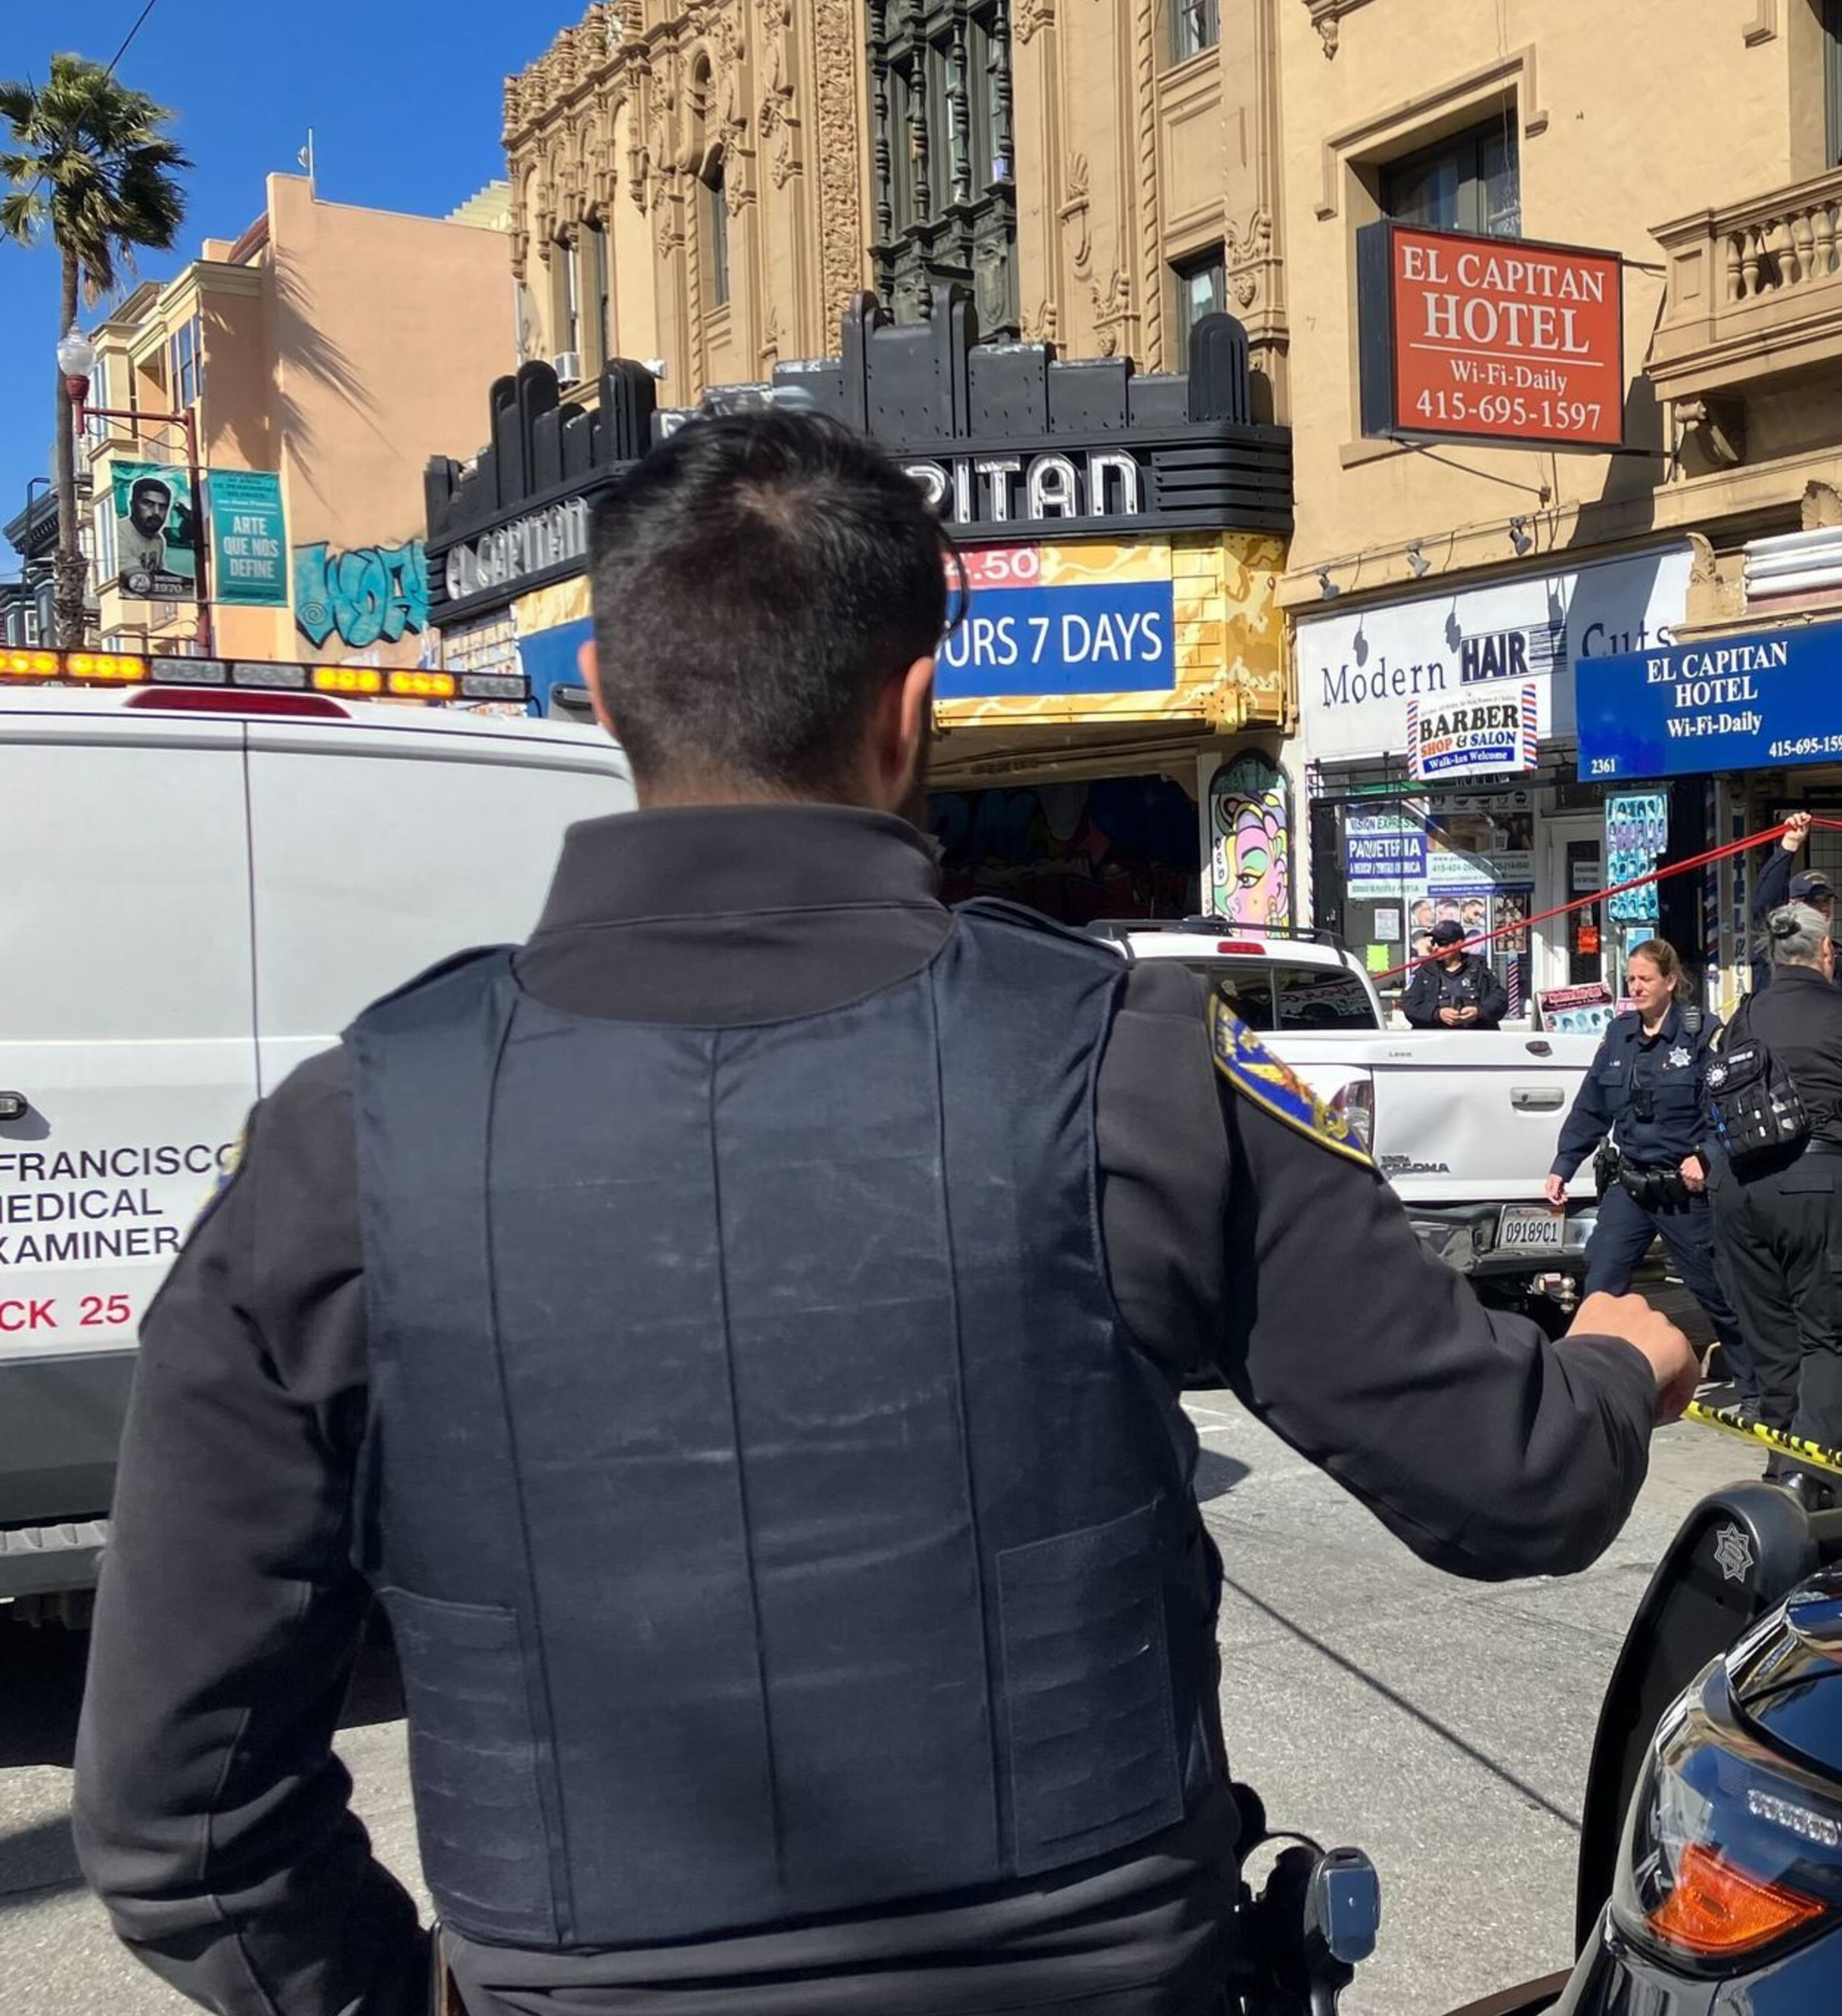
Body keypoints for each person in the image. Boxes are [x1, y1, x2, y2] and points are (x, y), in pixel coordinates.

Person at [70, 410, 1699, 2016]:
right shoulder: (1117, 1067)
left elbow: (178, 1825)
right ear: (914, 709)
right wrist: (1624, 1354)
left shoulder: (344, 1142)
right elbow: (1512, 1477)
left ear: (597, 697)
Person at [1710, 902, 1842, 1477]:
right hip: (1818, 1185)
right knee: (1835, 1341)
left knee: (1773, 1345)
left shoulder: (1743, 1016)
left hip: (1738, 1191)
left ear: (1772, 956)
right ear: (1825, 951)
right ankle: (1802, 1479)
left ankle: (1780, 1474)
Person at [1547, 940, 1750, 1400]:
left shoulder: (1702, 1034)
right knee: (1601, 1280)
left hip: (1684, 1189)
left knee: (1716, 1290)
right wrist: (1564, 1164)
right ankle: (1585, 1385)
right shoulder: (1619, 1036)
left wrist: (1706, 1155)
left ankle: (1757, 1386)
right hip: (1631, 1183)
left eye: (1646, 980)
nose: (1636, 988)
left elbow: (1726, 1110)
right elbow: (1591, 1108)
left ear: (1670, 982)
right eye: (1631, 980)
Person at [1749, 811, 1842, 998]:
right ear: (1792, 905)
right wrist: (1789, 845)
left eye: (1827, 900)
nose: (1823, 908)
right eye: (1813, 902)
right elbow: (1765, 905)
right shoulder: (1776, 949)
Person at [1400, 917, 1508, 1028]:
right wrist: (1437, 1014)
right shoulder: (1424, 972)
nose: (1436, 947)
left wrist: (1478, 1012)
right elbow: (1410, 1005)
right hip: (1436, 1038)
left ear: (1459, 944)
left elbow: (1500, 1000)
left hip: (1474, 1037)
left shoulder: (1480, 969)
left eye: (1442, 943)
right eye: (1433, 942)